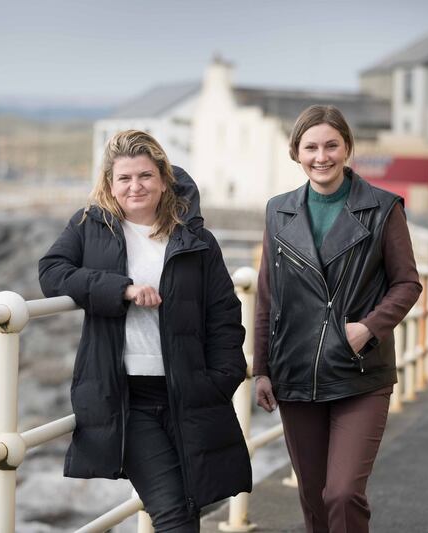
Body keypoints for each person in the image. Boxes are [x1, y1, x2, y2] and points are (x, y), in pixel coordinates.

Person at [39, 129, 251, 532]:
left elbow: (224, 312)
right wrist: (121, 289)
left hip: (187, 392)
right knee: (171, 511)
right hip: (125, 397)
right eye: (125, 178)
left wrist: (222, 379)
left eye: (145, 176)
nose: (135, 186)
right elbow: (51, 273)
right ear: (110, 184)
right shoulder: (89, 226)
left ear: (163, 179)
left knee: (191, 506)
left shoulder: (196, 239)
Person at [253, 105, 422, 533]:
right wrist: (261, 370)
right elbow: (267, 297)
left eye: (331, 145)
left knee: (342, 493)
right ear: (296, 152)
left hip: (359, 371)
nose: (321, 156)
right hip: (296, 373)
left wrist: (368, 328)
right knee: (313, 497)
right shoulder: (278, 211)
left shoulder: (384, 208)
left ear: (347, 148)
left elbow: (407, 284)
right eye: (310, 147)